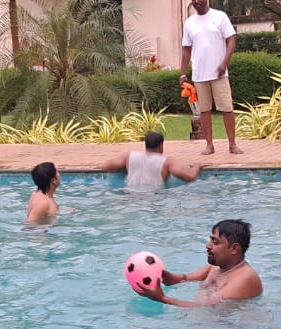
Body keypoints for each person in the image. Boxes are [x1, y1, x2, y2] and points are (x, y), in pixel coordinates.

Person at [133, 219, 263, 307]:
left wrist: (162, 299)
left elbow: (208, 311)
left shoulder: (245, 279)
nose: (208, 246)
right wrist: (166, 277)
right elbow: (186, 278)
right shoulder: (216, 266)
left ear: (234, 249)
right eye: (210, 240)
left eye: (215, 242)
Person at [180, 0, 242, 155]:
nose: (196, 2)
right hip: (199, 75)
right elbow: (186, 49)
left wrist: (224, 63)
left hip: (219, 74)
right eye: (194, 0)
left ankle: (232, 144)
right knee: (204, 111)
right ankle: (209, 145)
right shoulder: (189, 23)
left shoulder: (220, 16)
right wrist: (183, 73)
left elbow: (231, 40)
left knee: (227, 109)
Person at [101, 131, 202, 188]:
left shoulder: (130, 155)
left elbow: (106, 166)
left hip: (130, 196)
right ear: (161, 145)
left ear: (146, 144)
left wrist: (126, 167)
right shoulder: (166, 161)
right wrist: (197, 166)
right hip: (152, 200)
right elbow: (190, 176)